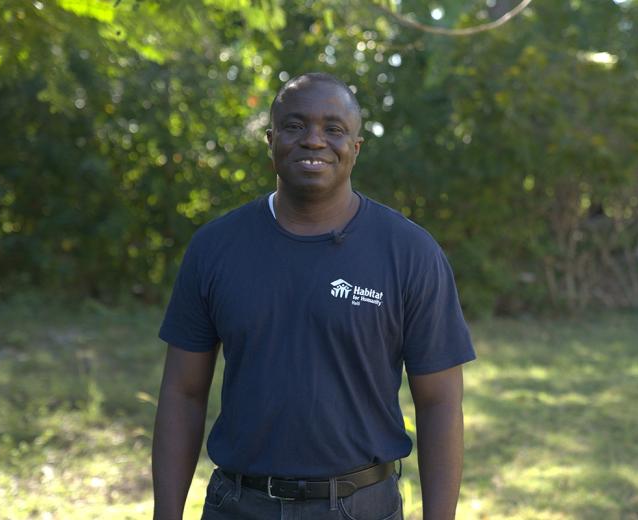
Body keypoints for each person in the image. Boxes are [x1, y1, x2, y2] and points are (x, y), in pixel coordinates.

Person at [152, 72, 476, 520]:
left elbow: (439, 401)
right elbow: (183, 393)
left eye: (334, 129)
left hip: (362, 506)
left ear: (356, 148)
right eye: (295, 126)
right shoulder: (215, 248)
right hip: (238, 505)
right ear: (271, 141)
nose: (314, 141)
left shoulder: (409, 252)